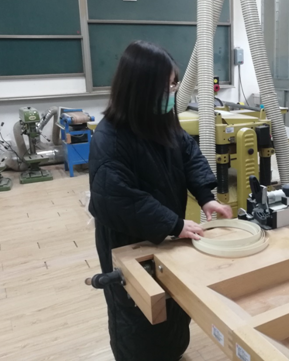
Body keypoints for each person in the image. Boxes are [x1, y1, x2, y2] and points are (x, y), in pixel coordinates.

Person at [88, 40, 232, 361]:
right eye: (166, 86)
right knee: (138, 311)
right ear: (140, 88)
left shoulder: (162, 120)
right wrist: (173, 223)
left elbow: (189, 154)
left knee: (173, 300)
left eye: (174, 83)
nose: (172, 92)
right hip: (128, 239)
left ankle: (173, 351)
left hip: (167, 231)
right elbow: (117, 199)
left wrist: (206, 197)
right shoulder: (110, 137)